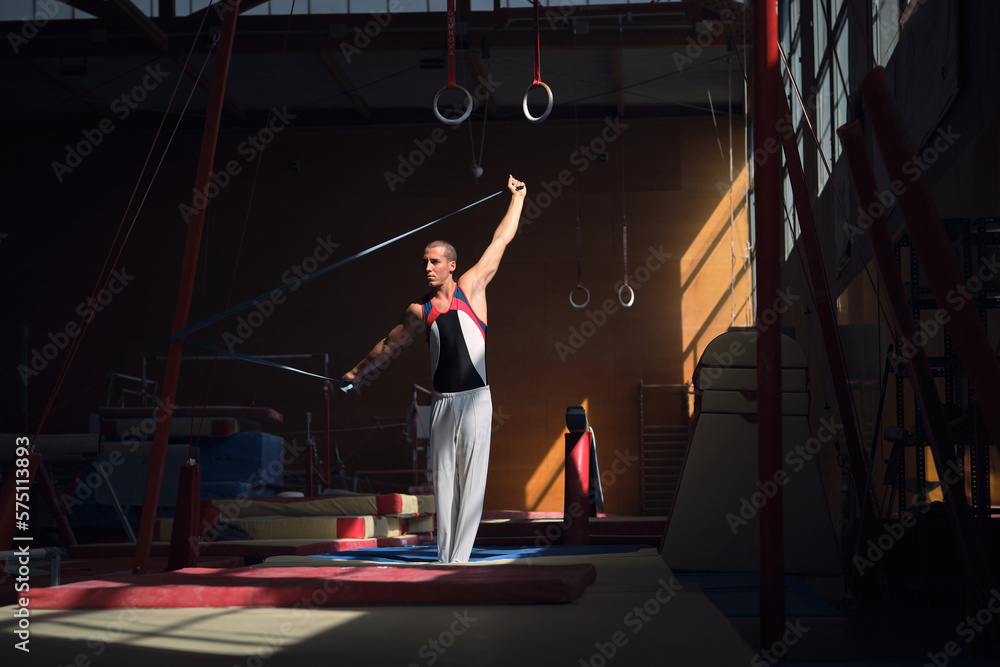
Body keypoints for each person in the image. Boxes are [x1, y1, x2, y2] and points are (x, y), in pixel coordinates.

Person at [342, 175, 526, 563]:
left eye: (434, 261)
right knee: (443, 481)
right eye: (424, 261)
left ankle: (459, 559)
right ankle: (445, 559)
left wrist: (519, 198)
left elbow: (501, 240)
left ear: (451, 265)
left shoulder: (473, 287)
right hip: (442, 403)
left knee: (471, 482)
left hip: (477, 400)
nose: (427, 267)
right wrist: (358, 373)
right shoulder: (418, 310)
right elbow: (388, 345)